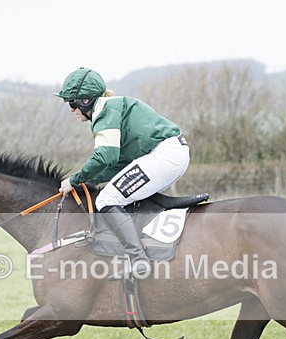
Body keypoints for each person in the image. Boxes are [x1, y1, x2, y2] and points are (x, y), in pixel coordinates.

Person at [56, 67, 190, 278]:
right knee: (119, 193)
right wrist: (88, 181)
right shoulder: (112, 108)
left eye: (72, 103)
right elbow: (119, 163)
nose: (71, 109)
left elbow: (105, 156)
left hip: (165, 156)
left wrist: (75, 179)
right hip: (169, 154)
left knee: (107, 199)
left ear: (85, 101)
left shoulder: (105, 111)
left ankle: (138, 259)